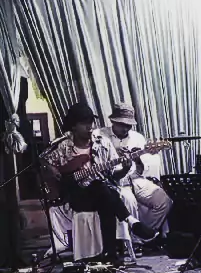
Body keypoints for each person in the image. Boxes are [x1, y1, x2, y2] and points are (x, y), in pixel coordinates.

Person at [45, 103, 156, 261]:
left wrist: (126, 167)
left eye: (91, 122)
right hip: (75, 196)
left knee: (104, 193)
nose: (89, 127)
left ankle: (110, 254)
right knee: (104, 191)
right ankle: (131, 223)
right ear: (74, 126)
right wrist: (53, 171)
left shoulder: (103, 143)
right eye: (84, 123)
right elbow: (43, 162)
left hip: (101, 194)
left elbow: (114, 176)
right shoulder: (62, 146)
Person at [100, 103, 172, 237]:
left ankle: (144, 235)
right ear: (113, 121)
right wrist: (114, 154)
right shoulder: (101, 136)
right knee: (128, 199)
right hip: (113, 181)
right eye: (122, 124)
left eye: (129, 125)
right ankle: (133, 241)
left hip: (134, 178)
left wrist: (137, 159)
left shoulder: (137, 137)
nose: (125, 128)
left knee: (163, 201)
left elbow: (141, 169)